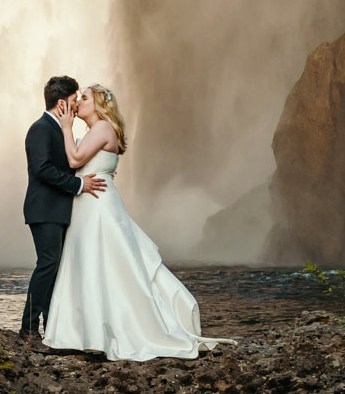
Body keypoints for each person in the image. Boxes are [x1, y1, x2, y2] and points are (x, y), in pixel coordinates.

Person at [42, 83, 213, 361]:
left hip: (97, 208)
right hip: (91, 205)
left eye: (83, 98)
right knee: (96, 266)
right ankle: (88, 333)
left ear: (98, 105)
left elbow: (74, 160)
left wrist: (65, 126)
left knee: (110, 267)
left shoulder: (102, 129)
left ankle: (108, 331)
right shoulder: (98, 130)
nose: (77, 103)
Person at [20, 75, 104, 340]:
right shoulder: (41, 128)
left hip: (57, 210)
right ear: (61, 103)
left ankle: (51, 329)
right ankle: (29, 329)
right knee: (48, 265)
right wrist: (78, 184)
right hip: (44, 209)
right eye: (74, 99)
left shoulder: (58, 129)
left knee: (55, 268)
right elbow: (41, 169)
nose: (77, 103)